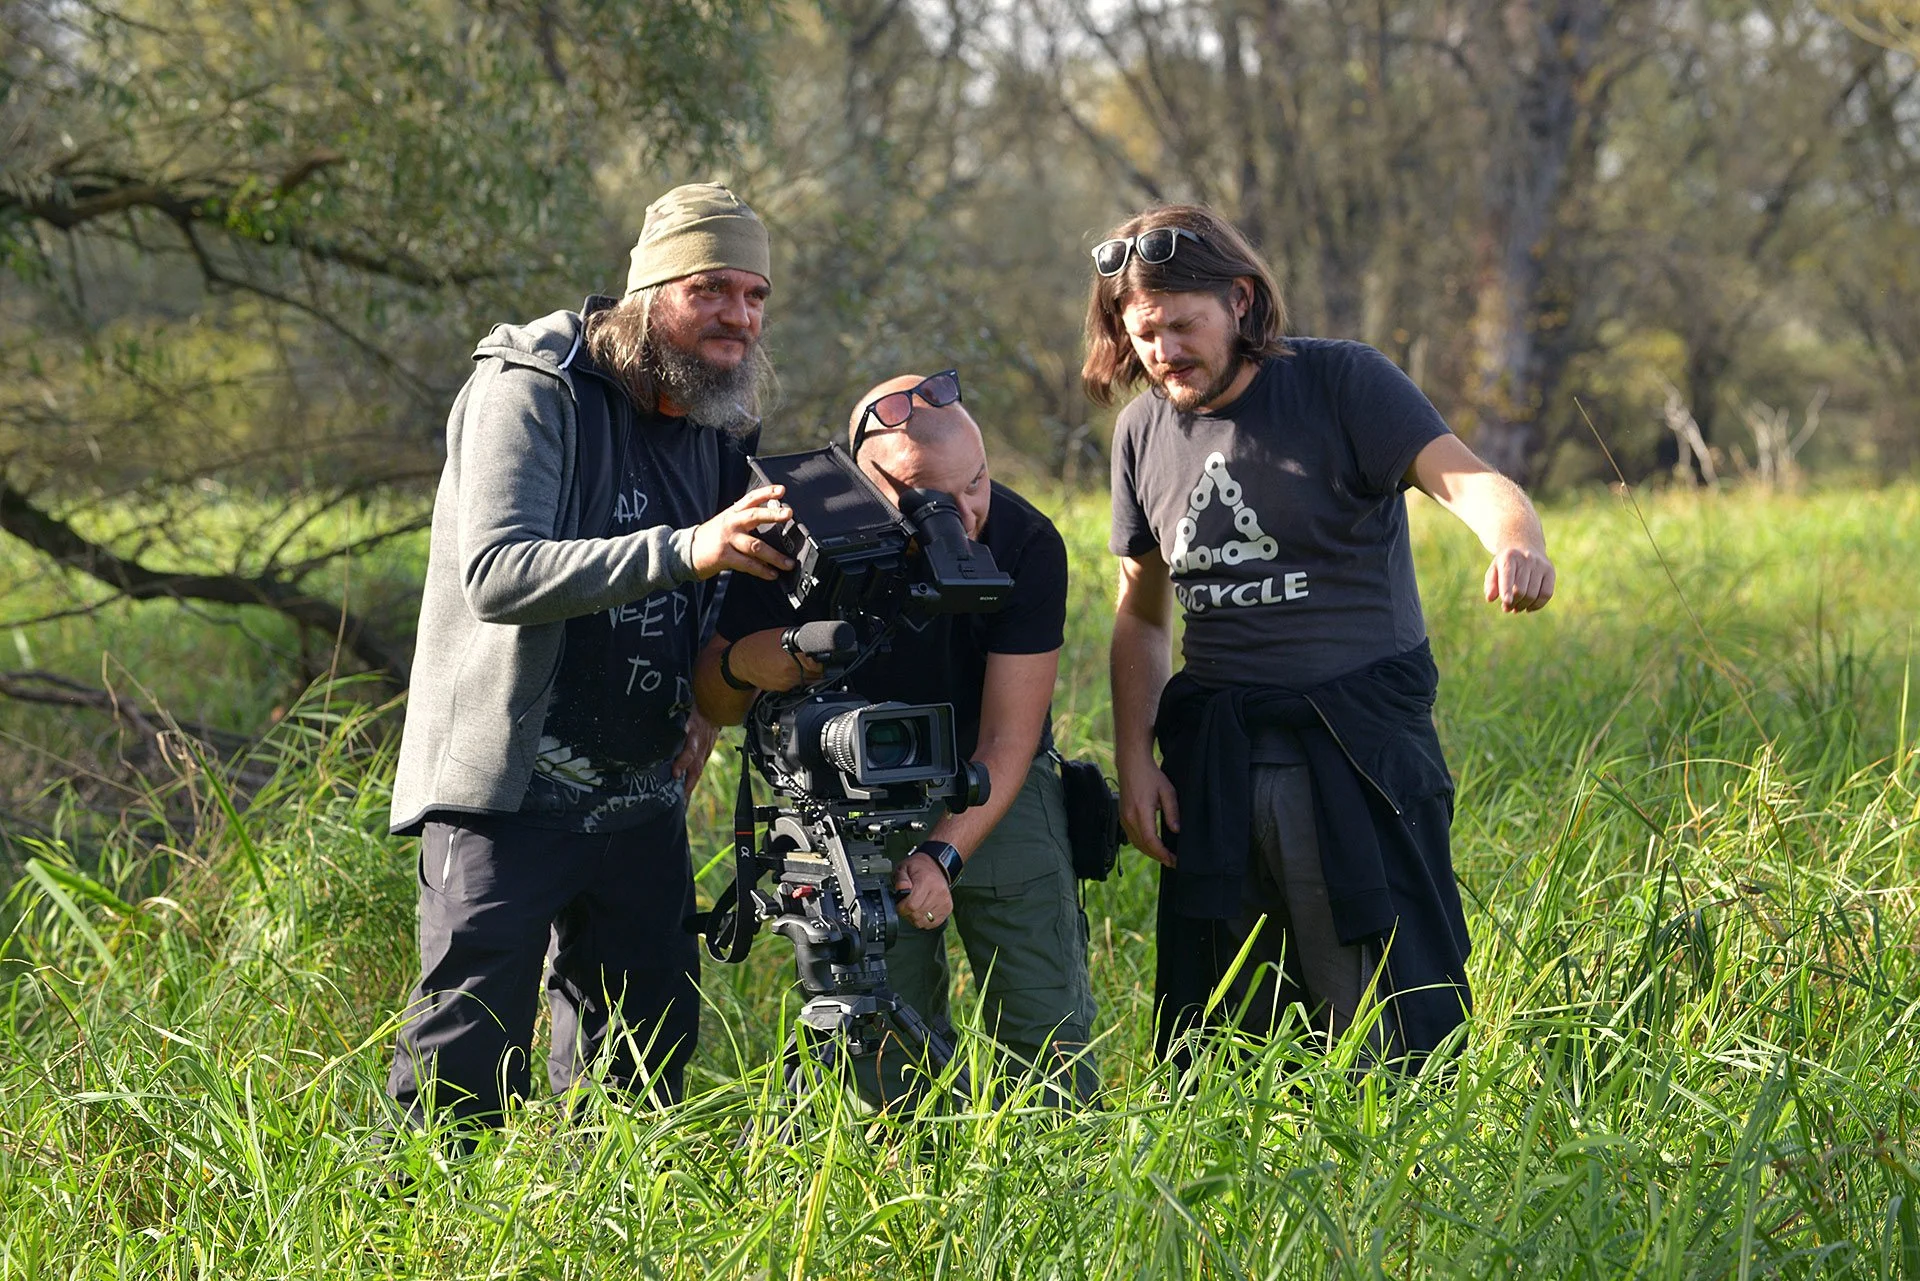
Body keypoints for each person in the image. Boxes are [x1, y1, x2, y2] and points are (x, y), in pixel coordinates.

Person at [1088, 205, 1556, 1067]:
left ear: (1239, 300)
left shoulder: (1342, 383)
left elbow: (1470, 482)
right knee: (1228, 1018)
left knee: (1390, 1004)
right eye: (1144, 333)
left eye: (1183, 326)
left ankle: (1408, 1174)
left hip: (1359, 748)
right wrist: (1135, 760)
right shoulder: (1141, 432)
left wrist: (1517, 542)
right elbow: (1142, 615)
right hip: (1218, 761)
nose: (1165, 353)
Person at [385, 183, 798, 1129]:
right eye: (713, 289)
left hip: (640, 792)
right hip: (508, 785)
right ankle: (418, 1244)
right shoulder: (533, 385)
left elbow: (727, 580)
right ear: (652, 289)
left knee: (641, 1069)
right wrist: (688, 546)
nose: (740, 316)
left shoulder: (717, 414)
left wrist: (702, 695)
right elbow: (496, 571)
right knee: (462, 1061)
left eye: (755, 295)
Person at [692, 372, 1099, 1102]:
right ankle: (904, 1187)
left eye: (979, 481)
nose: (970, 513)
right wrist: (745, 660)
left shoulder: (1024, 538)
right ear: (868, 483)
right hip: (846, 795)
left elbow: (1011, 737)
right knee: (878, 1045)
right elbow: (717, 702)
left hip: (989, 780)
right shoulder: (786, 534)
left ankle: (1064, 1180)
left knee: (1047, 1029)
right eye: (938, 500)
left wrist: (943, 853)